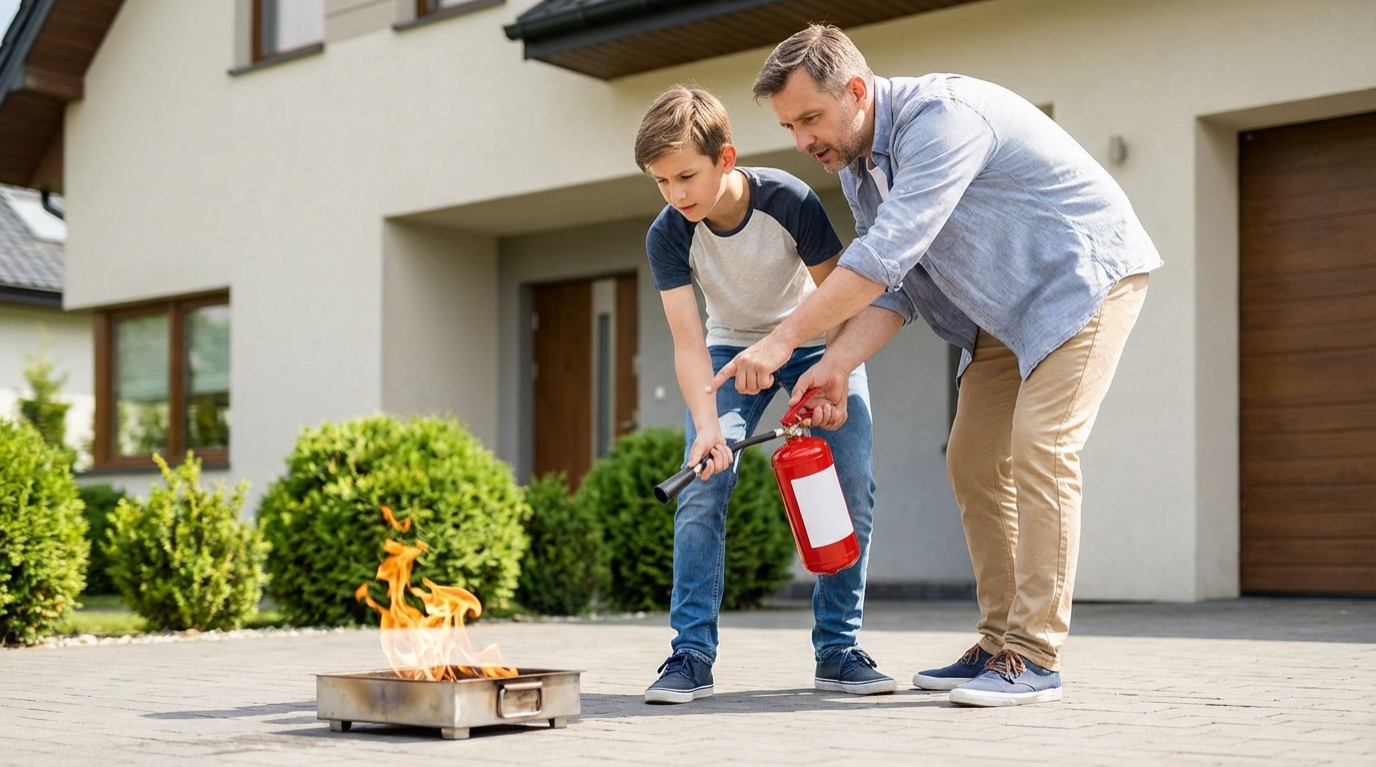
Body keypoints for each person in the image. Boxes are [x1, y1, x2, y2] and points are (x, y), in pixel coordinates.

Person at [711, 26, 1162, 707]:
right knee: (972, 456)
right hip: (1001, 317)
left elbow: (885, 252)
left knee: (1040, 445)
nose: (802, 139)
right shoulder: (860, 170)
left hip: (1081, 285)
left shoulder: (941, 119)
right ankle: (999, 638)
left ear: (856, 92)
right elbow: (898, 287)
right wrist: (834, 364)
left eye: (810, 118)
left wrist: (781, 342)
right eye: (788, 125)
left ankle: (1034, 655)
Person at [634, 85, 896, 704]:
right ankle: (689, 655)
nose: (676, 194)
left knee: (850, 483)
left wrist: (831, 372)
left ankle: (838, 649)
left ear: (726, 157)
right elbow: (689, 343)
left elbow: (844, 300)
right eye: (662, 183)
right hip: (728, 351)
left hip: (812, 339)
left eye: (686, 176)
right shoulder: (669, 233)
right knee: (701, 483)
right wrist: (705, 426)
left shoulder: (789, 199)